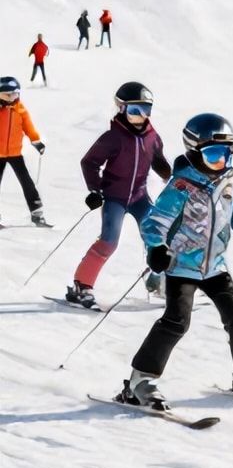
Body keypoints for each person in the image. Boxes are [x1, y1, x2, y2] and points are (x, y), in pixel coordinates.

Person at [116, 114, 233, 411]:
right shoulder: (180, 188)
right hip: (181, 267)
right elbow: (154, 223)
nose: (220, 160)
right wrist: (157, 249)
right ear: (195, 152)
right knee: (176, 322)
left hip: (215, 268)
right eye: (213, 154)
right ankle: (139, 382)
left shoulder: (228, 188)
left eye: (225, 154)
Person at [67, 82, 172, 307]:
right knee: (108, 242)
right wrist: (95, 190)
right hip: (114, 197)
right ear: (122, 108)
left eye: (146, 110)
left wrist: (168, 173)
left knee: (157, 238)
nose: (141, 116)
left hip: (139, 197)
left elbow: (157, 158)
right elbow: (90, 162)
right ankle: (81, 285)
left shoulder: (152, 137)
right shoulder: (113, 137)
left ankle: (159, 281)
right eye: (135, 111)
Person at [0, 77, 50, 227]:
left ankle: (37, 214)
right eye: (8, 94)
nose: (12, 98)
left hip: (15, 153)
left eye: (15, 94)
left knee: (27, 182)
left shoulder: (20, 109)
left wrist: (36, 141)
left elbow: (28, 127)